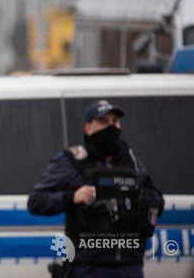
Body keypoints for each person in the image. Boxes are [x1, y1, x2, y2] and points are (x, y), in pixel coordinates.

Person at [28, 100, 164, 278]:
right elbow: (36, 201)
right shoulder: (71, 161)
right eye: (103, 122)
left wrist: (148, 202)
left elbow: (156, 198)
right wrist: (72, 197)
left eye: (114, 121)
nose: (111, 127)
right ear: (89, 127)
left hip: (130, 264)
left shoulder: (131, 161)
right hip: (89, 265)